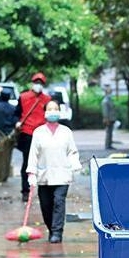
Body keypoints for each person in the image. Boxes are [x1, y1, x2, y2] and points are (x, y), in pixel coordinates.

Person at [26, 101, 82, 243]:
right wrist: (31, 173)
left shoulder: (66, 132)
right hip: (44, 175)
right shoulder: (38, 133)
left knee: (58, 201)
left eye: (55, 109)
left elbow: (72, 151)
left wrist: (75, 162)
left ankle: (57, 232)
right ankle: (51, 228)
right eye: (50, 109)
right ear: (45, 112)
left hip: (62, 175)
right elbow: (33, 154)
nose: (53, 111)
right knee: (46, 205)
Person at [15, 72, 51, 202]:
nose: (38, 85)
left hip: (43, 134)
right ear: (32, 83)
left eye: (41, 83)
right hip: (27, 134)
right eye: (36, 82)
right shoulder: (23, 97)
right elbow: (16, 113)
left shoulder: (47, 99)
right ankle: (25, 191)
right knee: (27, 163)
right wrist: (17, 122)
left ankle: (44, 189)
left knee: (44, 162)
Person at [101, 85, 116, 150]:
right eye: (110, 91)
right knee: (108, 132)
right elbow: (105, 111)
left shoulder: (109, 99)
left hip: (111, 118)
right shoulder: (106, 100)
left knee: (110, 132)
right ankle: (107, 145)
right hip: (108, 119)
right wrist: (106, 119)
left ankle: (109, 145)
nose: (111, 92)